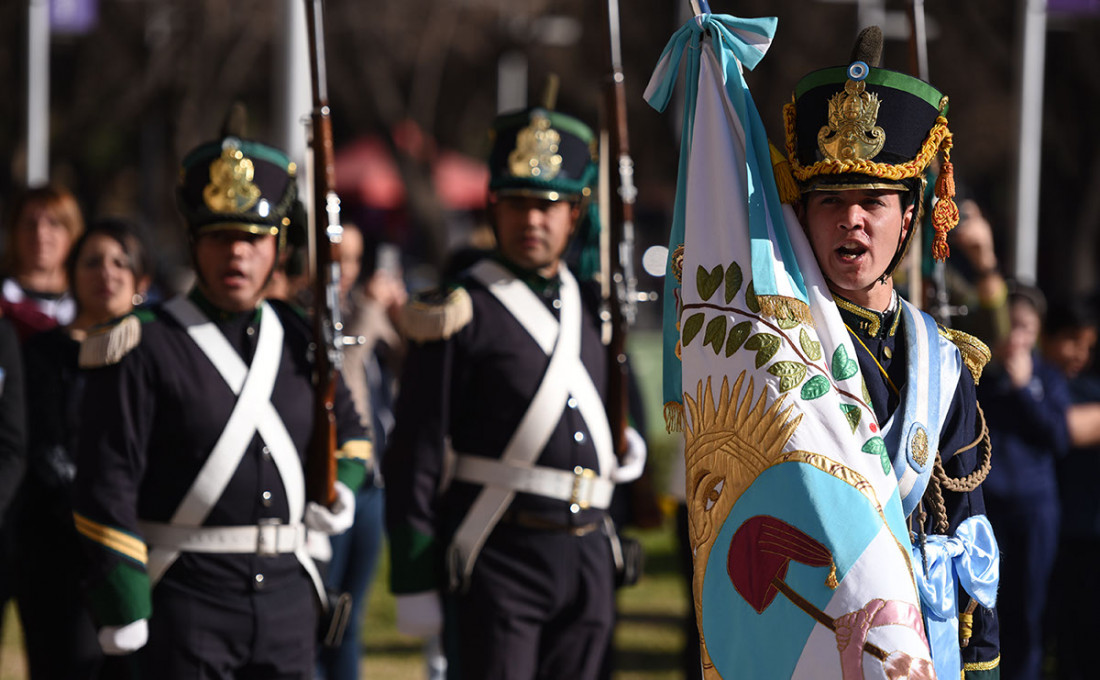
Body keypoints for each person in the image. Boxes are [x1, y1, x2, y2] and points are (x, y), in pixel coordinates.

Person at [72, 136, 371, 677]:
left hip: (286, 600)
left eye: (252, 238)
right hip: (186, 601)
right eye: (220, 237)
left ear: (278, 246)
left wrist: (342, 485)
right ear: (193, 243)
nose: (236, 252)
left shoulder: (302, 338)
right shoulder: (145, 344)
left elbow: (350, 433)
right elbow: (105, 483)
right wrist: (126, 601)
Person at [383, 107, 647, 680]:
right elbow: (417, 449)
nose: (533, 219)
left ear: (575, 213)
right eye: (518, 202)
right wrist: (413, 577)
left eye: (549, 204)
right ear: (493, 206)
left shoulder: (593, 306)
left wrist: (623, 448)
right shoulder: (459, 310)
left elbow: (618, 410)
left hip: (589, 555)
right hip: (500, 551)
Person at [784, 27, 1000, 677]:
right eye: (831, 203)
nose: (852, 220)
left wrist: (982, 655)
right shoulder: (779, 347)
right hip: (813, 634)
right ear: (804, 217)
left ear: (909, 217)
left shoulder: (941, 360)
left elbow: (968, 525)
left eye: (873, 202)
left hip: (922, 639)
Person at [15, 218, 152, 680]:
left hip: (144, 555)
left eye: (120, 262)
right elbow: (39, 449)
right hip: (61, 558)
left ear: (140, 281)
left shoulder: (156, 356)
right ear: (72, 273)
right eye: (92, 262)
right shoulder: (41, 355)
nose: (106, 273)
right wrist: (101, 512)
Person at [317, 226, 406, 680]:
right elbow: (344, 374)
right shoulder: (313, 317)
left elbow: (410, 364)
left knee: (349, 620)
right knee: (320, 617)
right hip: (331, 488)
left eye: (352, 259)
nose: (344, 270)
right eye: (335, 258)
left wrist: (400, 314)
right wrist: (370, 312)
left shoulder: (361, 312)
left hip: (372, 488)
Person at [976, 284, 1069, 680]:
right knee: (988, 610)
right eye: (1010, 325)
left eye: (1026, 328)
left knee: (1028, 611)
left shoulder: (1047, 379)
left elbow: (1059, 437)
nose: (1016, 337)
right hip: (993, 509)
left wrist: (1028, 389)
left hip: (1035, 511)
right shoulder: (980, 379)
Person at [1, 184, 84, 340]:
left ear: (72, 233)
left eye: (53, 223)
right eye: (30, 224)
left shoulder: (87, 299)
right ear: (14, 231)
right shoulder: (4, 295)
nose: (40, 233)